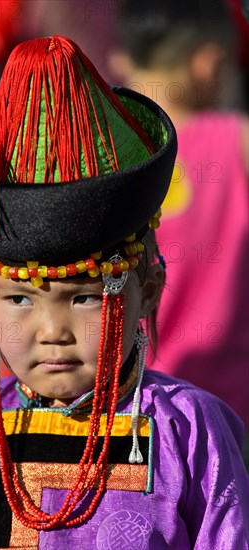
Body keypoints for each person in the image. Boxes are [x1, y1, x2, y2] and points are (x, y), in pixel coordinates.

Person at [0, 36, 248, 549]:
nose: (52, 331)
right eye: (19, 299)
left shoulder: (187, 431)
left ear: (146, 290)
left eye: (84, 297)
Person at [109, 0, 249, 427]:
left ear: (122, 60)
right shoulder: (238, 145)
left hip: (124, 405)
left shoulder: (102, 155)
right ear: (208, 63)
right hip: (227, 408)